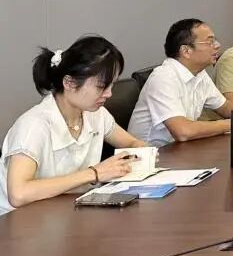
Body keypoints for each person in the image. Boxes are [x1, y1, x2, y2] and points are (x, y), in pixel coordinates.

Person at [1, 36, 147, 215]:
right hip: (21, 222)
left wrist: (141, 152)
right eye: (101, 86)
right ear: (69, 83)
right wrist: (94, 173)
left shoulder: (95, 114)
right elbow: (18, 194)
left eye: (112, 85)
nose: (109, 94)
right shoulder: (34, 125)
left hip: (68, 214)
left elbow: (132, 143)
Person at [128, 19, 233, 147]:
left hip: (179, 150)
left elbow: (225, 108)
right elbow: (183, 131)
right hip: (151, 155)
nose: (217, 45)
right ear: (186, 51)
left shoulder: (199, 74)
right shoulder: (163, 77)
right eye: (210, 42)